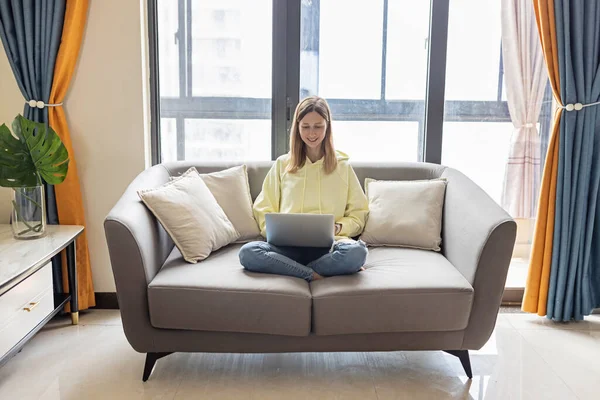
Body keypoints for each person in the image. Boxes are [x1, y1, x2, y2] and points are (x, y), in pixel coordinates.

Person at [239, 96, 369, 282]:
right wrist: (277, 233)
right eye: (305, 126)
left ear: (328, 126)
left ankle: (294, 271)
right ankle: (312, 274)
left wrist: (339, 228)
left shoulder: (343, 167)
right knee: (248, 253)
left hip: (330, 248)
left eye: (318, 126)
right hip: (287, 248)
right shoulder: (283, 165)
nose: (312, 133)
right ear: (297, 127)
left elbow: (359, 214)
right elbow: (263, 209)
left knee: (357, 253)